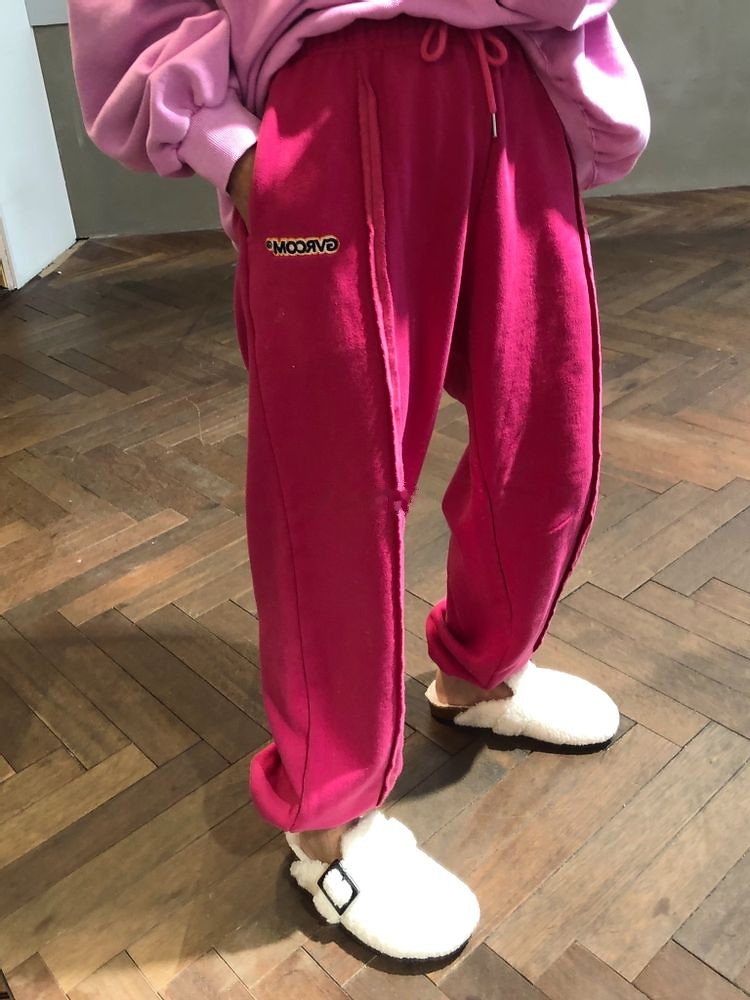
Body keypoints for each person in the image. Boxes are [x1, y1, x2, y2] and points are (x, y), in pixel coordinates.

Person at [67, 0, 649, 961]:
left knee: (551, 428)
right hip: (330, 117)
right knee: (331, 485)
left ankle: (483, 670)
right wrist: (237, 152)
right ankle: (328, 821)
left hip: (511, 98)